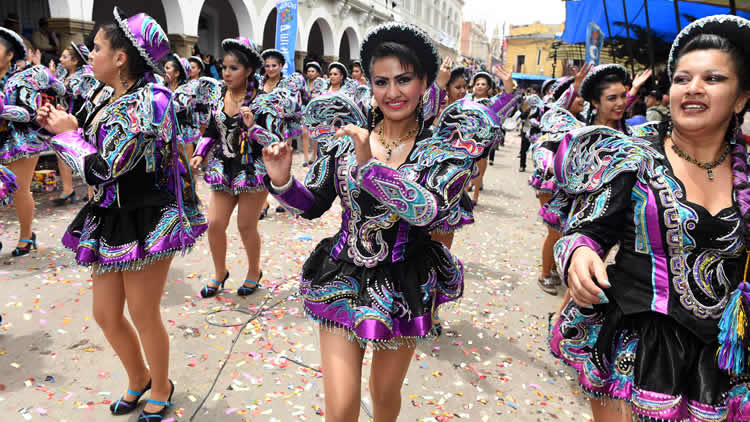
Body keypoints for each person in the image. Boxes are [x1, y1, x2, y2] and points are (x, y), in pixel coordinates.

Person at [263, 22, 501, 422]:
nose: (392, 93)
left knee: (384, 397)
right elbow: (313, 205)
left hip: (403, 284)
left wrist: (368, 167)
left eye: (404, 80)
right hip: (341, 276)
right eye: (381, 81)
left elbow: (426, 210)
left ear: (425, 81)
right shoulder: (346, 139)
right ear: (370, 85)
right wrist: (282, 179)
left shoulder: (440, 152)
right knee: (339, 409)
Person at [550, 15, 750, 421]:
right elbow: (588, 228)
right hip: (637, 345)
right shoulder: (634, 153)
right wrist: (580, 256)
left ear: (742, 98)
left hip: (719, 361)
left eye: (713, 79)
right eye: (681, 79)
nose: (693, 89)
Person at [36, 7, 206, 421]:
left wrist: (68, 135)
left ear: (120, 57)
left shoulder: (150, 102)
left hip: (148, 215)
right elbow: (86, 147)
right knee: (106, 314)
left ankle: (161, 386)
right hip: (109, 213)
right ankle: (139, 377)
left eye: (96, 48)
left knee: (143, 313)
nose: (88, 54)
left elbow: (107, 167)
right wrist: (59, 126)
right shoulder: (103, 95)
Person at [191, 37, 298, 298]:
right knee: (215, 224)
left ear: (249, 70)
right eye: (224, 67)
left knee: (245, 226)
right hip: (224, 167)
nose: (226, 73)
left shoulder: (263, 101)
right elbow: (213, 130)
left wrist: (252, 127)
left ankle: (253, 272)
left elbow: (275, 142)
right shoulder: (219, 95)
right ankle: (219, 273)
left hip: (253, 170)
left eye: (233, 68)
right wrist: (199, 153)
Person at [0, 26, 65, 256]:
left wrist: (3, 109)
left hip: (20, 139)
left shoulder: (23, 79)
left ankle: (27, 235)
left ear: (10, 55)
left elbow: (28, 113)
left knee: (19, 189)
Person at [52, 42, 93, 206]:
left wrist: (52, 78)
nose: (60, 59)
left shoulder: (84, 76)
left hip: (79, 119)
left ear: (75, 61)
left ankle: (92, 190)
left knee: (85, 155)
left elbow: (71, 92)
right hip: (64, 118)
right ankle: (68, 190)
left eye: (64, 57)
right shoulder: (62, 75)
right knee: (61, 153)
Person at [301, 61, 324, 167]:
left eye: (313, 71)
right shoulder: (304, 83)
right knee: (304, 133)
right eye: (308, 71)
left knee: (315, 134)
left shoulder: (321, 84)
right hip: (305, 110)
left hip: (317, 111)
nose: (310, 73)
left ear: (318, 73)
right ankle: (305, 157)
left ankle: (314, 155)